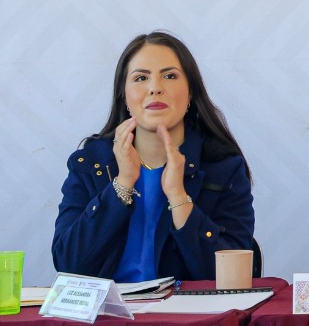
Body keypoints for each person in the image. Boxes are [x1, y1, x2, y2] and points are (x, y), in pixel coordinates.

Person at [53, 32, 254, 281]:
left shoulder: (223, 167)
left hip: (186, 317)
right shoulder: (89, 163)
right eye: (140, 78)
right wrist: (122, 184)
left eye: (169, 76)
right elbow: (69, 265)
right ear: (124, 96)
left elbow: (230, 277)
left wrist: (179, 198)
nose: (155, 88)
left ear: (191, 92)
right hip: (107, 317)